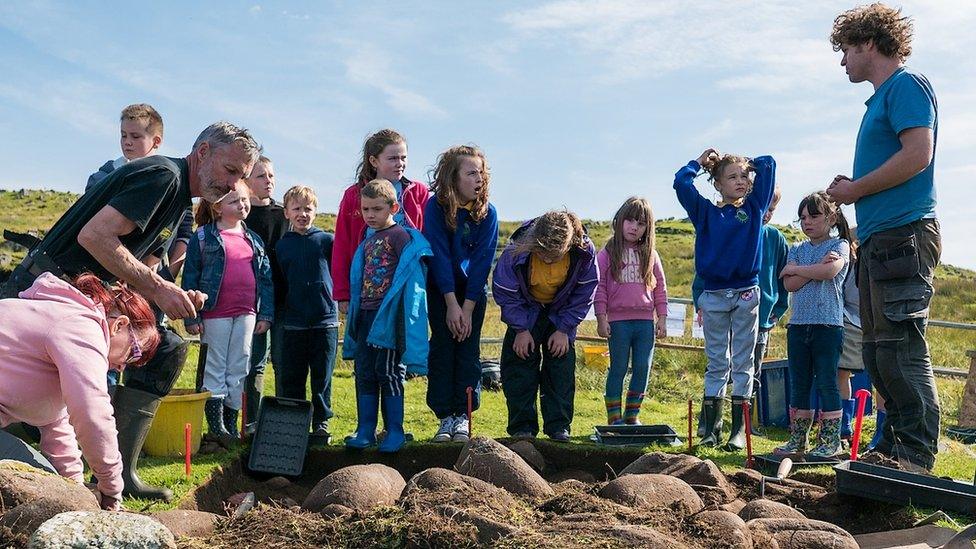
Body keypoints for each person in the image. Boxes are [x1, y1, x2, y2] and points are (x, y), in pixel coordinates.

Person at [1, 121, 260, 500]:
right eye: (230, 170)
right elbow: (94, 236)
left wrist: (174, 292)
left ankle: (118, 469)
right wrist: (157, 288)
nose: (233, 184)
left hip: (87, 302)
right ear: (203, 152)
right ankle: (54, 475)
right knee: (50, 407)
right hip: (51, 296)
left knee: (167, 349)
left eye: (242, 176)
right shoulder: (162, 177)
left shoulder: (176, 199)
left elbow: (137, 267)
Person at [826, 3, 940, 472]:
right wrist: (854, 192)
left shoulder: (906, 87)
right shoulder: (882, 99)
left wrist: (854, 190)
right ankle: (893, 449)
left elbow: (918, 154)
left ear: (869, 42)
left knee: (900, 346)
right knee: (876, 350)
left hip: (904, 235)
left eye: (847, 49)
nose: (843, 60)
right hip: (879, 240)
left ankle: (916, 455)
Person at [0, 272, 160, 511]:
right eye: (133, 353)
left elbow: (57, 424)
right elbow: (92, 414)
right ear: (120, 325)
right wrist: (111, 486)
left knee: (56, 490)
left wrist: (75, 491)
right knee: (44, 493)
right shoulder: (81, 328)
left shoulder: (60, 315)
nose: (123, 366)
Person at [82, 103, 192, 389]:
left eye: (136, 137)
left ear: (156, 141)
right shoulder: (104, 176)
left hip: (143, 281)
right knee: (104, 348)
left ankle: (125, 413)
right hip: (104, 278)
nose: (128, 142)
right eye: (123, 136)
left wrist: (152, 271)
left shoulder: (170, 182)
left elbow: (171, 231)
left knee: (136, 348)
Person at [675, 149, 776, 450]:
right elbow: (681, 183)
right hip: (714, 294)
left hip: (747, 293)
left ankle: (738, 432)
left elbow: (769, 164)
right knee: (718, 361)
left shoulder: (755, 208)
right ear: (717, 183)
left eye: (744, 176)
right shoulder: (706, 212)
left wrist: (748, 162)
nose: (741, 181)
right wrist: (699, 162)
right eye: (731, 177)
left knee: (744, 362)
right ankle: (711, 430)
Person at [492, 210, 598, 442]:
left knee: (560, 368)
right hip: (525, 311)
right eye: (543, 256)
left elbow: (585, 292)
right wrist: (520, 329)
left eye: (555, 257)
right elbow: (506, 293)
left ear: (568, 246)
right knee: (519, 366)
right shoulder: (515, 251)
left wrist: (564, 329)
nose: (548, 261)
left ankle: (558, 426)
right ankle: (523, 428)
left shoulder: (584, 252)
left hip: (561, 313)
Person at [343, 179, 431, 453]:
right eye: (366, 209)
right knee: (365, 372)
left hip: (389, 316)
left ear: (393, 207)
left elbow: (410, 279)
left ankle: (394, 430)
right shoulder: (368, 238)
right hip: (367, 313)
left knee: (389, 372)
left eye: (377, 209)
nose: (370, 215)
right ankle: (366, 429)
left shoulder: (400, 236)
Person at [182, 180, 273, 442]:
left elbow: (265, 279)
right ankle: (216, 426)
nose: (242, 205)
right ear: (218, 207)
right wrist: (192, 315)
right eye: (234, 201)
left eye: (244, 200)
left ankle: (231, 426)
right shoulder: (203, 237)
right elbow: (190, 279)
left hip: (247, 313)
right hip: (214, 313)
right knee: (215, 365)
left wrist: (265, 314)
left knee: (240, 365)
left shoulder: (253, 240)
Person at [422, 145, 499, 443]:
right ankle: (445, 418)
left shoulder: (488, 213)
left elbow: (482, 263)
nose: (478, 178)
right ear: (453, 178)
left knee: (467, 352)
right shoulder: (435, 208)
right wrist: (451, 304)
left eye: (481, 172)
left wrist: (466, 309)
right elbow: (438, 255)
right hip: (442, 292)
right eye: (470, 172)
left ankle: (463, 417)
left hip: (472, 294)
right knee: (442, 349)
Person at [774, 192, 852, 458]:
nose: (807, 222)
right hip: (798, 326)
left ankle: (830, 442)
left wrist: (801, 269)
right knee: (800, 383)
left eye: (814, 216)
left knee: (827, 382)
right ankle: (798, 440)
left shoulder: (840, 245)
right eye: (803, 217)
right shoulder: (796, 248)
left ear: (830, 217)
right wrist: (813, 269)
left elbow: (829, 272)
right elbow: (789, 284)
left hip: (828, 326)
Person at [332, 130, 431, 333]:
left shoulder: (418, 192)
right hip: (369, 287)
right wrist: (343, 293)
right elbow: (342, 244)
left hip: (408, 284)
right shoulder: (354, 195)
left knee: (404, 343)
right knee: (368, 346)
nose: (400, 163)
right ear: (374, 161)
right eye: (392, 158)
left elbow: (428, 239)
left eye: (403, 157)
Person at [595, 197, 668, 426]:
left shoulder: (651, 254)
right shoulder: (607, 253)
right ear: (619, 221)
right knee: (618, 367)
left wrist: (662, 318)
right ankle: (614, 417)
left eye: (641, 223)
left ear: (648, 228)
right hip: (618, 323)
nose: (634, 227)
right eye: (629, 220)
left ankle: (632, 415)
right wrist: (601, 318)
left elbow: (661, 289)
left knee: (642, 367)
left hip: (645, 322)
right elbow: (599, 287)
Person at [275, 185, 340, 442]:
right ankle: (295, 422)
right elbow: (279, 283)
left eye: (308, 208)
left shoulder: (327, 241)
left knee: (322, 375)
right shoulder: (281, 247)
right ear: (287, 213)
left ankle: (321, 422)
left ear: (315, 211)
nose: (303, 214)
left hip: (325, 321)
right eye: (297, 209)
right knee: (293, 375)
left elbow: (338, 275)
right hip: (294, 323)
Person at [242, 155, 289, 431]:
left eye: (270, 175)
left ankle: (284, 422)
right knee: (254, 363)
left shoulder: (284, 214)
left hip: (284, 297)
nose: (268, 181)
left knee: (283, 361)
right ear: (247, 182)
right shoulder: (243, 215)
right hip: (253, 298)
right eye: (261, 176)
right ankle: (252, 421)